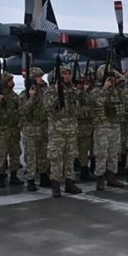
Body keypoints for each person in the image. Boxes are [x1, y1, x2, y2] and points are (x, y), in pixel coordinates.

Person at [43, 64, 81, 197]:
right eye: (64, 74)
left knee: (70, 157)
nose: (67, 76)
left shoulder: (72, 90)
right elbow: (48, 107)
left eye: (68, 74)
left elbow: (76, 109)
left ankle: (70, 183)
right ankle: (56, 185)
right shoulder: (50, 91)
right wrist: (56, 92)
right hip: (57, 131)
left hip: (71, 129)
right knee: (56, 158)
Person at [0, 72, 23, 188]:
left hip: (13, 130)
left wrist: (19, 126)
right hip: (1, 130)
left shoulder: (14, 96)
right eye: (10, 80)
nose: (12, 82)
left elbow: (20, 112)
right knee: (0, 154)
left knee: (15, 154)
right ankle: (0, 176)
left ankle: (14, 175)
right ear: (4, 83)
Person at [19, 68, 51, 191]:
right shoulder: (24, 94)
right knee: (31, 156)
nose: (41, 79)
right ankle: (31, 180)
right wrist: (31, 99)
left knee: (43, 155)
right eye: (38, 77)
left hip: (43, 129)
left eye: (41, 77)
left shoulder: (44, 92)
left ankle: (43, 176)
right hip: (31, 130)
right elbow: (23, 111)